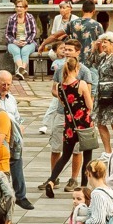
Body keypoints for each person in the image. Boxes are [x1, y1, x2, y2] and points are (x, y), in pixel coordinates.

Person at [42, 57, 94, 197]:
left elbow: (64, 104)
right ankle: (83, 186)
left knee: (65, 155)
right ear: (77, 68)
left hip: (70, 125)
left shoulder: (60, 87)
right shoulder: (81, 84)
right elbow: (90, 105)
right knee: (87, 156)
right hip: (84, 124)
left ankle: (52, 181)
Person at [4, 0, 38, 79]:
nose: (19, 9)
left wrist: (26, 42)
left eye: (21, 7)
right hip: (14, 42)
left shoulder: (30, 17)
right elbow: (7, 34)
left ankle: (20, 71)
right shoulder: (11, 18)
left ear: (25, 8)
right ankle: (22, 69)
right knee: (16, 51)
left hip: (29, 42)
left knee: (25, 51)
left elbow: (34, 32)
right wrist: (15, 41)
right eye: (17, 6)